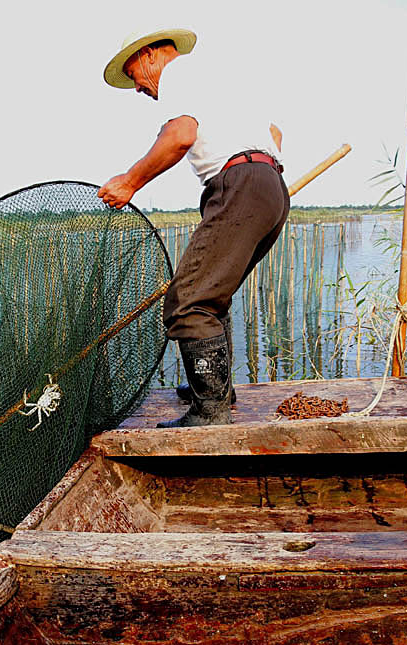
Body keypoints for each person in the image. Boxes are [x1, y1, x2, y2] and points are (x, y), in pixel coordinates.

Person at [98, 28, 290, 427]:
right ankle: (216, 390)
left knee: (188, 302)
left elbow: (180, 136)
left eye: (132, 74)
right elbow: (275, 133)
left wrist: (129, 182)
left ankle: (211, 412)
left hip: (242, 185)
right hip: (269, 187)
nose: (137, 88)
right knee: (212, 296)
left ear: (149, 55)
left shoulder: (180, 75)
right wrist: (261, 175)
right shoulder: (220, 81)